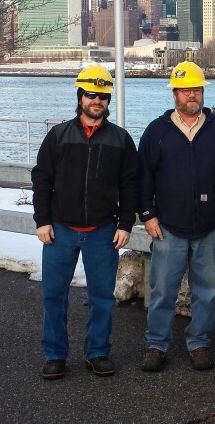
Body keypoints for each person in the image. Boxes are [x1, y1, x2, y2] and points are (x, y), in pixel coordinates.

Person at [32, 64, 139, 380]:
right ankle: (55, 355)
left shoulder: (121, 139)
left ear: (108, 101)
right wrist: (42, 220)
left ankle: (97, 352)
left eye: (102, 96)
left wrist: (125, 224)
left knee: (102, 298)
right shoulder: (59, 136)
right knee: (54, 295)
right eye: (91, 94)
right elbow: (42, 178)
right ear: (80, 96)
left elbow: (131, 184)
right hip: (60, 230)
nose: (97, 100)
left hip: (103, 232)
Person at [138, 61, 215, 372]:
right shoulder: (156, 131)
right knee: (162, 290)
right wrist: (148, 215)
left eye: (196, 89)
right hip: (167, 226)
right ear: (174, 94)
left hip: (209, 226)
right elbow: (143, 177)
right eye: (185, 90)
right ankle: (157, 344)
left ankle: (199, 343)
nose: (191, 95)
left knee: (206, 290)